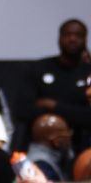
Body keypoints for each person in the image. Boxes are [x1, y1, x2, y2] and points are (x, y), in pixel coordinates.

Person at [17, 18, 91, 154]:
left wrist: (52, 106)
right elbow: (23, 110)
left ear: (86, 39)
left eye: (78, 35)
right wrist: (74, 112)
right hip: (42, 146)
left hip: (81, 145)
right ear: (59, 37)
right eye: (67, 34)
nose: (72, 39)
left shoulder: (88, 72)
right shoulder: (39, 68)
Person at [26, 113, 73, 181]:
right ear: (56, 140)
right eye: (64, 136)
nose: (68, 140)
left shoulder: (48, 156)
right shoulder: (41, 163)